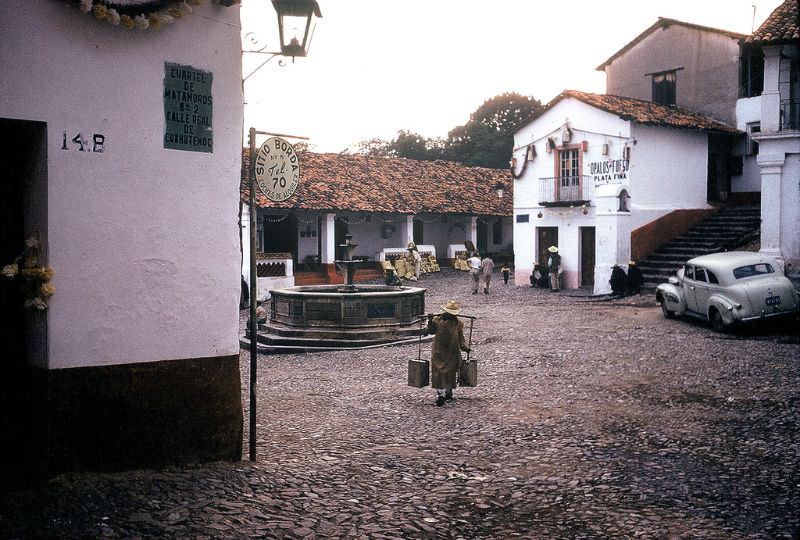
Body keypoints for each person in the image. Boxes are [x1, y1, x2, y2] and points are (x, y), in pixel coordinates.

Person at [426, 300, 470, 406]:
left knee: (450, 372)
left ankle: (448, 391)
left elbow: (460, 338)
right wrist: (430, 320)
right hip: (439, 351)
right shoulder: (437, 320)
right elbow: (431, 331)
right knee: (438, 373)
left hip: (452, 351)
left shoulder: (458, 324)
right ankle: (440, 394)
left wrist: (465, 348)